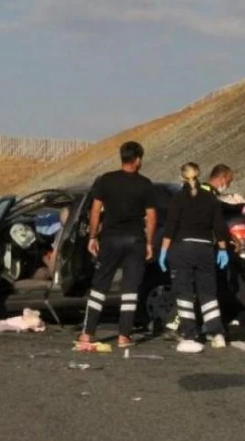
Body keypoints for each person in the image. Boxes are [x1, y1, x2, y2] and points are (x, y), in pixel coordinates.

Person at [78, 141, 157, 349]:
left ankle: (88, 334)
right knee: (130, 288)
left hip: (110, 239)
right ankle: (124, 336)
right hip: (135, 241)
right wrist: (149, 242)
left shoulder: (106, 180)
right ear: (138, 159)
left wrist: (93, 237)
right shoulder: (145, 184)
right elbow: (151, 217)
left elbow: (95, 211)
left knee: (100, 285)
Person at [159, 162, 231, 353]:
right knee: (208, 294)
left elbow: (170, 227)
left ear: (182, 178)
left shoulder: (177, 199)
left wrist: (164, 251)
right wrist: (223, 249)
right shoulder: (210, 199)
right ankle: (217, 334)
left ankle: (189, 334)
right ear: (199, 176)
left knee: (184, 294)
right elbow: (219, 227)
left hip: (182, 249)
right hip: (205, 249)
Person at [203, 164, 245, 344]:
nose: (229, 184)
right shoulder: (205, 192)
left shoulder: (211, 194)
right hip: (211, 247)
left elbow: (219, 215)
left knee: (227, 285)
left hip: (217, 247)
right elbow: (216, 216)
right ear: (222, 177)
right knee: (224, 286)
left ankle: (218, 327)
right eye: (229, 180)